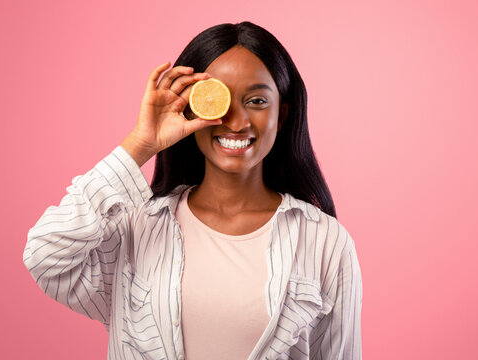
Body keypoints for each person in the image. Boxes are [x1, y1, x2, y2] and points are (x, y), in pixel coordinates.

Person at [22, 21, 362, 359]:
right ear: (190, 108)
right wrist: (140, 145)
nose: (237, 121)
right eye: (218, 99)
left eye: (257, 101)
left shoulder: (325, 242)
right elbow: (46, 256)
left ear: (282, 115)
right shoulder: (136, 228)